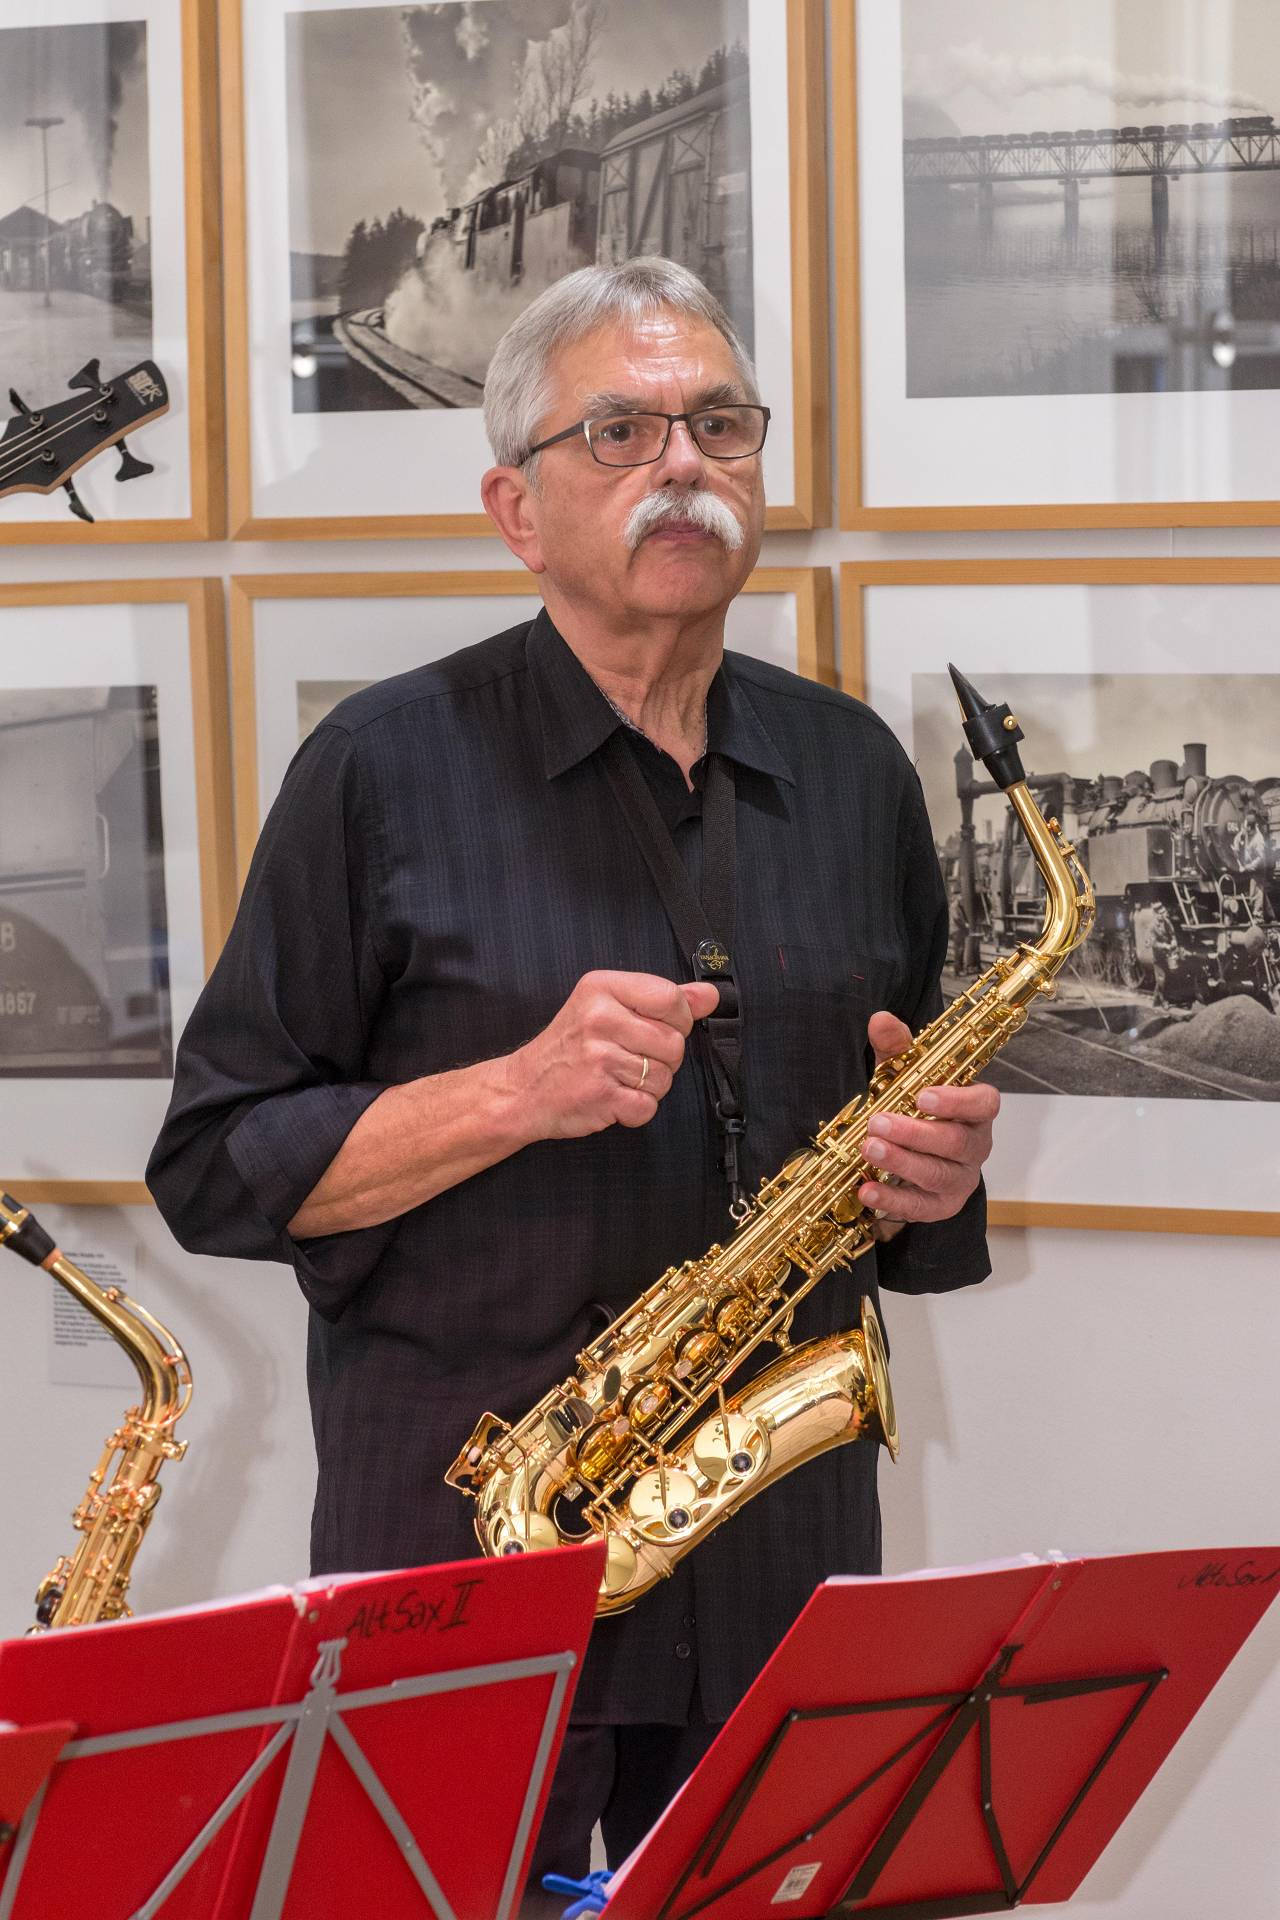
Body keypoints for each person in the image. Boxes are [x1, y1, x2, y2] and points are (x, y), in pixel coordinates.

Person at [147, 258, 998, 1907]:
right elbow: (215, 1160)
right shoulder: (379, 771)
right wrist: (512, 1094)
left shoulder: (852, 772)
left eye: (720, 425)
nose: (686, 464)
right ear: (515, 509)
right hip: (472, 1561)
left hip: (777, 1558)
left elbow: (889, 1164)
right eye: (620, 430)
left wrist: (936, 1179)